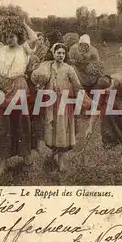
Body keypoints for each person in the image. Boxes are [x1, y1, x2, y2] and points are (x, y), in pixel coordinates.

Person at [0, 20, 39, 176]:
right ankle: (3, 163)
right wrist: (0, 21)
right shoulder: (0, 49)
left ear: (18, 36)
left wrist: (22, 23)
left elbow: (34, 38)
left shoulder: (24, 49)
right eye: (7, 36)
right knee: (2, 124)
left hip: (18, 85)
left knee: (21, 122)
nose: (9, 39)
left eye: (12, 36)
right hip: (1, 87)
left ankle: (27, 161)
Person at [32, 43, 86, 172]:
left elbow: (77, 86)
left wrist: (79, 101)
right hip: (51, 103)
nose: (60, 55)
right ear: (53, 53)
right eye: (58, 52)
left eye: (63, 53)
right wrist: (40, 86)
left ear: (65, 55)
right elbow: (43, 82)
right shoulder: (48, 67)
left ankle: (61, 159)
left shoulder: (69, 69)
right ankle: (54, 151)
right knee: (52, 127)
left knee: (62, 129)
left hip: (63, 103)